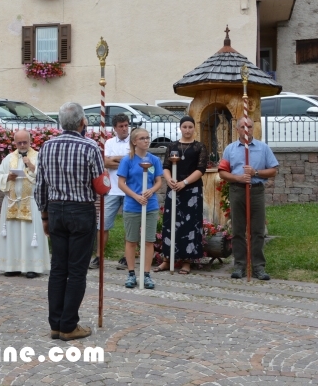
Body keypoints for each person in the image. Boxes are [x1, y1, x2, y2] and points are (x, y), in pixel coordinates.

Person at [35, 102, 105, 341]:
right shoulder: (90, 146)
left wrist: (44, 215)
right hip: (80, 210)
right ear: (83, 122)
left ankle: (55, 323)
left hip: (55, 209)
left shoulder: (46, 146)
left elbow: (40, 186)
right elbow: (100, 186)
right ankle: (68, 324)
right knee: (76, 270)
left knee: (58, 268)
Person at [218, 118, 279, 280]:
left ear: (253, 129)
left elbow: (273, 170)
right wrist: (238, 178)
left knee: (257, 230)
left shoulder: (263, 148)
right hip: (237, 191)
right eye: (243, 126)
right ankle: (240, 264)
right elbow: (222, 172)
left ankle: (258, 266)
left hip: (256, 191)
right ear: (237, 129)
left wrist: (255, 173)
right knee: (238, 229)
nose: (247, 129)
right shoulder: (230, 149)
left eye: (250, 126)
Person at [156, 116, 208, 275]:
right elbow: (165, 166)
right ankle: (167, 259)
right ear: (180, 128)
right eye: (184, 127)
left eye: (190, 127)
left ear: (194, 128)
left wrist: (184, 183)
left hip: (191, 190)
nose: (187, 130)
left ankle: (187, 261)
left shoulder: (199, 147)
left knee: (190, 225)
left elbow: (201, 169)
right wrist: (169, 179)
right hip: (174, 188)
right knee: (170, 223)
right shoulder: (172, 146)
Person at [0, 129, 49, 278]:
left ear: (30, 141)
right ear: (15, 143)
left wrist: (32, 167)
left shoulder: (38, 157)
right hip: (12, 202)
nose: (22, 145)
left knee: (31, 235)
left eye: (25, 142)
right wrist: (8, 177)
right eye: (19, 143)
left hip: (30, 202)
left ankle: (32, 266)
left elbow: (46, 177)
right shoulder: (9, 158)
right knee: (13, 235)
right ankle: (12, 266)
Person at [117, 128, 163, 290]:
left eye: (147, 138)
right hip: (132, 205)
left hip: (150, 206)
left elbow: (158, 180)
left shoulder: (154, 160)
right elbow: (121, 183)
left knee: (149, 240)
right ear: (134, 141)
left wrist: (151, 190)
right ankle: (131, 273)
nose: (146, 140)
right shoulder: (127, 160)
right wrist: (135, 196)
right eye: (142, 138)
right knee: (131, 240)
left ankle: (146, 274)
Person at [90, 114, 131, 270]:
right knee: (103, 224)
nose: (124, 128)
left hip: (129, 189)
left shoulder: (133, 141)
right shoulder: (109, 142)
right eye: (121, 126)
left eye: (126, 125)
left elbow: (133, 161)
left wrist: (115, 159)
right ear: (114, 128)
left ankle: (128, 257)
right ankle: (99, 256)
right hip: (112, 189)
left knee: (130, 225)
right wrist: (124, 160)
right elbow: (105, 162)